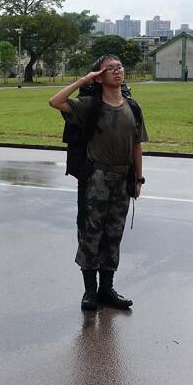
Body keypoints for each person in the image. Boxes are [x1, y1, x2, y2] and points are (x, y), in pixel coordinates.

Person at [48, 54, 148, 312]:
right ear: (100, 76)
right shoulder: (88, 105)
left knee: (114, 234)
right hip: (97, 178)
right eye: (110, 69)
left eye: (120, 67)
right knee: (91, 232)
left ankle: (107, 288)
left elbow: (137, 145)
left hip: (122, 177)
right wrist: (84, 80)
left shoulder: (132, 107)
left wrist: (138, 178)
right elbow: (55, 101)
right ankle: (90, 291)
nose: (117, 71)